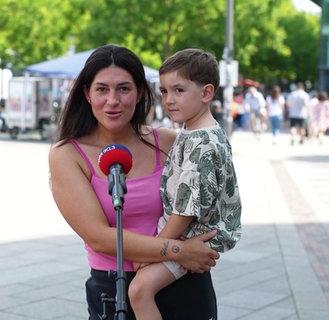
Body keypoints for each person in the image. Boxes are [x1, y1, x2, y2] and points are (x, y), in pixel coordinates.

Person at [49, 44, 221, 320]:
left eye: (124, 89)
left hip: (181, 281)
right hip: (114, 288)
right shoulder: (68, 155)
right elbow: (99, 237)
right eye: (102, 89)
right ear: (87, 93)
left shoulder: (168, 142)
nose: (113, 100)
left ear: (140, 92)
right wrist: (179, 250)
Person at [128, 48, 242, 320]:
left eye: (179, 90)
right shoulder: (196, 129)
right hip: (186, 232)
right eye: (164, 91)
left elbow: (186, 212)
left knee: (139, 290)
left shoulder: (201, 143)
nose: (168, 100)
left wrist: (154, 250)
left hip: (194, 236)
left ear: (206, 93)